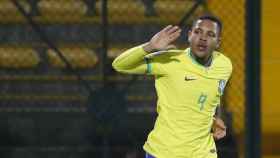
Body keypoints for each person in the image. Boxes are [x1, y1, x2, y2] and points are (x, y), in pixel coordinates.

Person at [112, 15, 232, 158]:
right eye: (198, 32)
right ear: (189, 35)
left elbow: (209, 97)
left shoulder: (224, 65)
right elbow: (119, 65)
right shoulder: (169, 61)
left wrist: (212, 120)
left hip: (203, 153)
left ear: (218, 42)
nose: (203, 38)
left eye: (210, 34)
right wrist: (149, 47)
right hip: (163, 152)